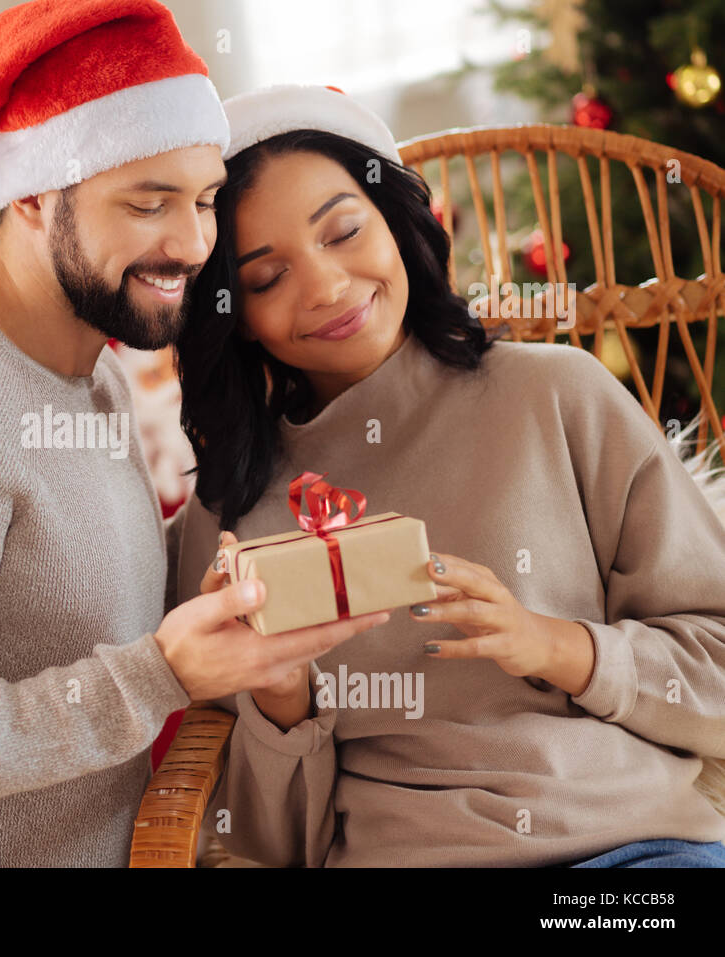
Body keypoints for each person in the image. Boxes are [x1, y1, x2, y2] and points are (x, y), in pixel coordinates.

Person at [0, 3, 389, 868]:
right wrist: (156, 676)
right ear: (30, 192)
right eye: (148, 204)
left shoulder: (86, 364)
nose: (192, 242)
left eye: (206, 200)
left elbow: (68, 598)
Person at [171, 83, 725, 867]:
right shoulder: (232, 513)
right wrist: (282, 701)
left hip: (630, 859)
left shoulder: (557, 394)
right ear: (234, 314)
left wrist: (557, 647)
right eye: (266, 278)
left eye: (344, 231)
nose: (325, 287)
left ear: (398, 223)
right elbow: (261, 846)